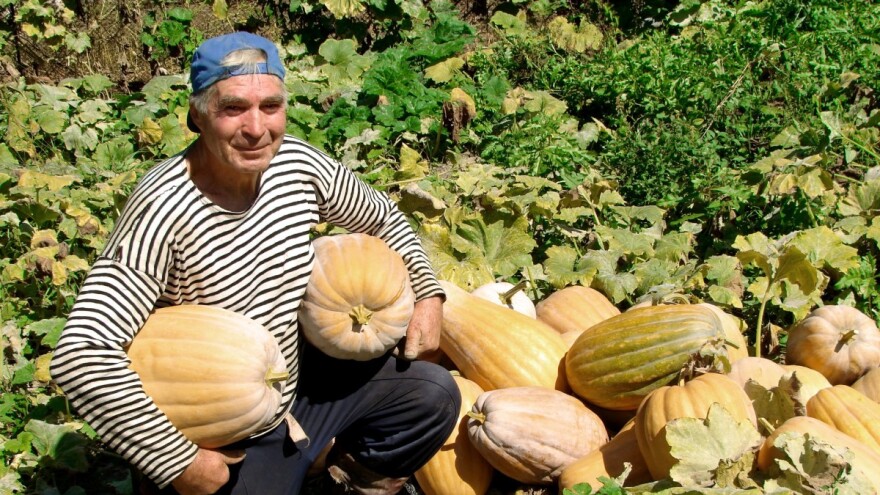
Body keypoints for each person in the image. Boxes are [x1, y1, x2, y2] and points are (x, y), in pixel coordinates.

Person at [50, 31, 460, 495]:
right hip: (221, 435)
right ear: (197, 116)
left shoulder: (297, 165)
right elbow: (81, 354)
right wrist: (179, 462)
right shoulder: (164, 209)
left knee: (432, 394)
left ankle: (331, 483)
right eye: (233, 108)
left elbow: (382, 217)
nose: (256, 127)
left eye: (270, 107)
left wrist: (428, 293)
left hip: (296, 388)